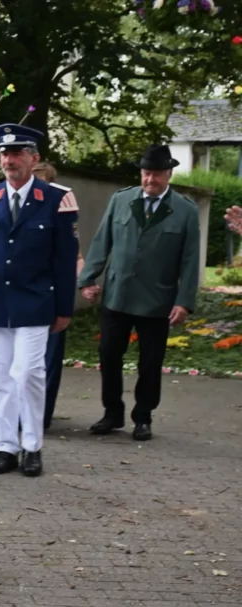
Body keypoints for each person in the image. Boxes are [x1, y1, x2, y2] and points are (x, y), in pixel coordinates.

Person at [0, 125, 78, 478]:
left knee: (28, 374)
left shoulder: (56, 199)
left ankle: (32, 446)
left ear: (34, 158)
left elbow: (65, 260)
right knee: (2, 378)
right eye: (4, 154)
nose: (9, 160)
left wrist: (65, 307)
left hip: (35, 303)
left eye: (18, 153)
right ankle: (6, 446)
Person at [79, 144, 201, 441]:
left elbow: (190, 260)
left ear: (169, 174)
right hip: (117, 296)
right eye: (147, 173)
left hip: (157, 300)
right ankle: (112, 413)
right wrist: (87, 279)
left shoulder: (185, 211)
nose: (150, 180)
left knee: (150, 362)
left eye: (157, 174)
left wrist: (184, 301)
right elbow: (101, 241)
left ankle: (143, 417)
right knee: (108, 356)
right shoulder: (121, 201)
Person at [31, 162, 86, 430]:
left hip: (51, 294)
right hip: (23, 295)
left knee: (49, 359)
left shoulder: (61, 208)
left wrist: (81, 282)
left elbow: (74, 253)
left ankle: (42, 414)